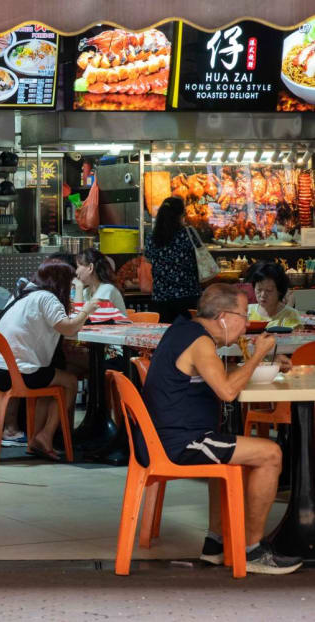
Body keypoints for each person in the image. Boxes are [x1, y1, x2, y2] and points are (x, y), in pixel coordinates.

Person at [141, 283, 301, 574]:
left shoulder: (184, 331)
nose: (247, 325)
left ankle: (217, 543)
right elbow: (227, 391)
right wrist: (256, 356)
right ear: (224, 316)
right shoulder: (200, 342)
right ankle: (252, 550)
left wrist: (264, 363)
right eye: (243, 315)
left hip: (168, 435)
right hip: (180, 441)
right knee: (271, 453)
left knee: (234, 452)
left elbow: (217, 378)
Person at [0, 260, 99, 459]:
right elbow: (68, 327)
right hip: (20, 373)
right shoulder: (47, 298)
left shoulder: (24, 294)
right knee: (69, 381)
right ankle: (46, 435)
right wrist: (87, 310)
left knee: (53, 377)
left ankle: (37, 439)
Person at [144, 197, 202, 323]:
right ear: (181, 215)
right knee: (187, 339)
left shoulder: (151, 239)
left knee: (165, 338)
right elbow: (201, 256)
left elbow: (148, 262)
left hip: (160, 299)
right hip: (187, 298)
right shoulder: (188, 234)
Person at [246, 261, 302, 329]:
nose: (263, 295)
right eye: (259, 290)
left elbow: (295, 338)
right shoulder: (247, 312)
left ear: (279, 291)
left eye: (269, 290)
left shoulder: (290, 315)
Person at [74, 248, 126, 313]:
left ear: (90, 268)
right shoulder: (86, 292)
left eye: (78, 266)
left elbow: (80, 316)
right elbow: (76, 318)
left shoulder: (107, 288)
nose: (76, 272)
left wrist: (79, 287)